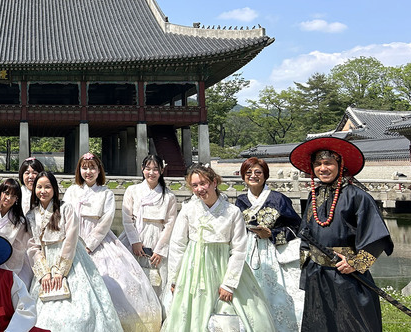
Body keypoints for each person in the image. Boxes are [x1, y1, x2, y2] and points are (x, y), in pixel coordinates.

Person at [290, 137, 393, 332]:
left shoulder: (358, 196)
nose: (323, 168)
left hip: (347, 275)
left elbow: (377, 237)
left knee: (353, 325)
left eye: (328, 163)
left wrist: (355, 262)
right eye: (318, 164)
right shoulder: (315, 196)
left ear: (340, 164)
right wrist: (308, 263)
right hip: (318, 276)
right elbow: (305, 233)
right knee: (320, 324)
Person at [164, 164, 276, 332]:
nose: (200, 189)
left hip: (224, 267)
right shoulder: (188, 209)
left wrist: (229, 284)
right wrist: (174, 278)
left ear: (214, 182)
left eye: (203, 183)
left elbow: (238, 249)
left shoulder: (232, 211)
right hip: (193, 270)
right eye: (194, 185)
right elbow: (177, 245)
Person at [63, 153, 161, 332]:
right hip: (73, 239)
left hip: (99, 241)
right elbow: (65, 218)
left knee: (112, 283)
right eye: (84, 167)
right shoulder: (71, 191)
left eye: (93, 167)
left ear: (99, 170)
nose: (88, 171)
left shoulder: (106, 193)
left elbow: (106, 221)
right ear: (79, 170)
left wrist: (89, 245)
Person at [25, 171, 123, 332]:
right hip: (45, 263)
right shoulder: (31, 215)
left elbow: (71, 239)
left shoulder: (66, 209)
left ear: (55, 189)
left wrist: (59, 271)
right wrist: (44, 273)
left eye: (47, 187)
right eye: (39, 187)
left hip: (70, 260)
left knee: (80, 313)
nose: (43, 191)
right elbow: (33, 246)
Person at [235, 157, 304, 332]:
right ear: (243, 176)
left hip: (273, 251)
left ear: (265, 175)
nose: (253, 176)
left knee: (277, 295)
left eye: (258, 172)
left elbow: (298, 227)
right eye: (248, 172)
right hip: (248, 252)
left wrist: (272, 234)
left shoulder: (279, 199)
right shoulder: (240, 200)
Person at [118, 154, 177, 315]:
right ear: (142, 169)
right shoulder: (132, 190)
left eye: (155, 169)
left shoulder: (169, 196)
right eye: (148, 169)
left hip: (158, 236)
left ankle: (157, 316)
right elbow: (127, 218)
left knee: (157, 281)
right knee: (131, 278)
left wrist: (160, 250)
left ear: (162, 171)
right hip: (136, 235)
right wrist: (134, 241)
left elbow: (170, 224)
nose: (151, 173)